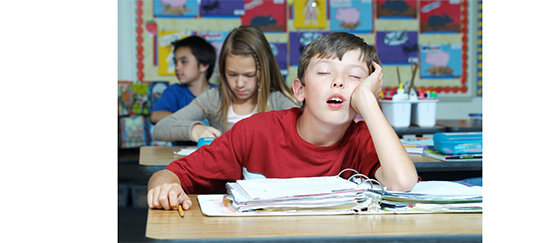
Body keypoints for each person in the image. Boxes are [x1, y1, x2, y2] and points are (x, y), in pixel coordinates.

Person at [147, 32, 418, 211]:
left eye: (355, 77)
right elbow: (168, 174)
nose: (338, 81)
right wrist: (164, 188)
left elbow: (403, 182)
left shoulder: (363, 139)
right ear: (299, 90)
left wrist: (369, 105)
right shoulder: (253, 132)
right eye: (324, 72)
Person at [152, 26, 300, 143]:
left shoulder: (277, 101)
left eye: (249, 75)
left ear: (264, 71)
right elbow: (160, 128)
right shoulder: (214, 98)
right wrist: (193, 129)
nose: (239, 84)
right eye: (232, 74)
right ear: (222, 70)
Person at [150, 35, 217, 124]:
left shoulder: (220, 93)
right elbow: (155, 116)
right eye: (175, 62)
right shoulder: (174, 91)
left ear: (203, 65)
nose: (177, 67)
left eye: (184, 61)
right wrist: (189, 122)